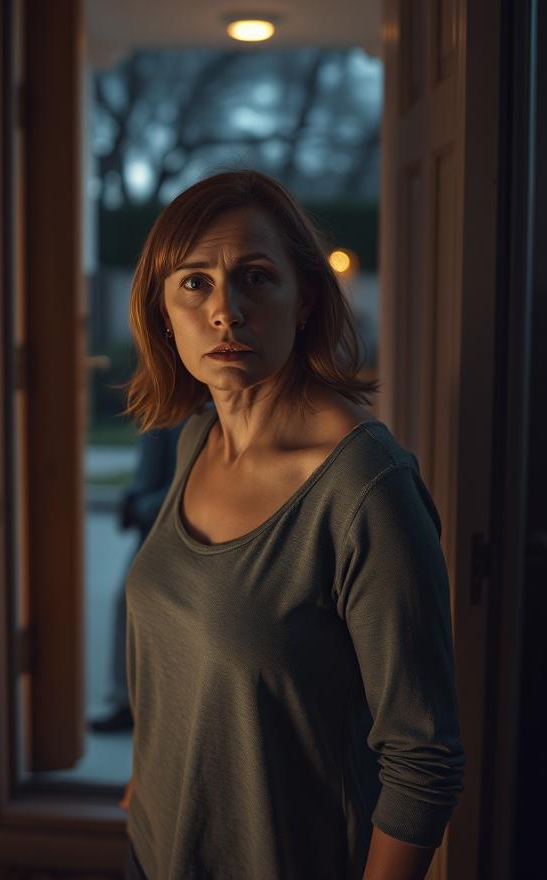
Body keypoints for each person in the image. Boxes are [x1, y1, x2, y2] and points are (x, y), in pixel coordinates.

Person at [117, 170, 465, 880]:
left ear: (304, 299)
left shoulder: (367, 490)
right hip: (155, 854)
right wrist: (145, 790)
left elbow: (423, 759)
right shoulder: (197, 441)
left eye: (254, 278)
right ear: (162, 308)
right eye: (194, 283)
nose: (225, 311)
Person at [90, 421, 185, 733]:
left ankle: (147, 704)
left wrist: (142, 506)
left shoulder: (198, 416)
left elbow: (184, 482)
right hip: (150, 527)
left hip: (175, 531)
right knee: (128, 607)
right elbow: (149, 472)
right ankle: (127, 701)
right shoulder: (161, 413)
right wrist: (132, 500)